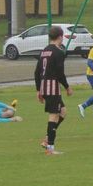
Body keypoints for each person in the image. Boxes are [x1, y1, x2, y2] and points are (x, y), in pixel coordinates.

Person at [34, 25, 73, 155]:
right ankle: (50, 149)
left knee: (63, 112)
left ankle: (47, 139)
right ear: (60, 37)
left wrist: (38, 90)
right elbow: (60, 74)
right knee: (53, 115)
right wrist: (67, 87)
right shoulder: (58, 52)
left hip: (45, 87)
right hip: (52, 88)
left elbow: (37, 71)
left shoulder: (44, 51)